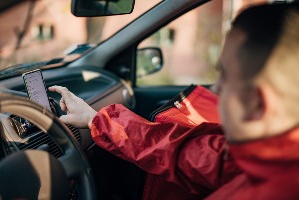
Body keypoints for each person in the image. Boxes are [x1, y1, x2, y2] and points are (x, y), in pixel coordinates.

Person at [49, 3, 299, 199]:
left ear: (257, 104)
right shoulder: (256, 158)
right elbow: (188, 154)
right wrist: (97, 120)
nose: (215, 88)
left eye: (225, 75)